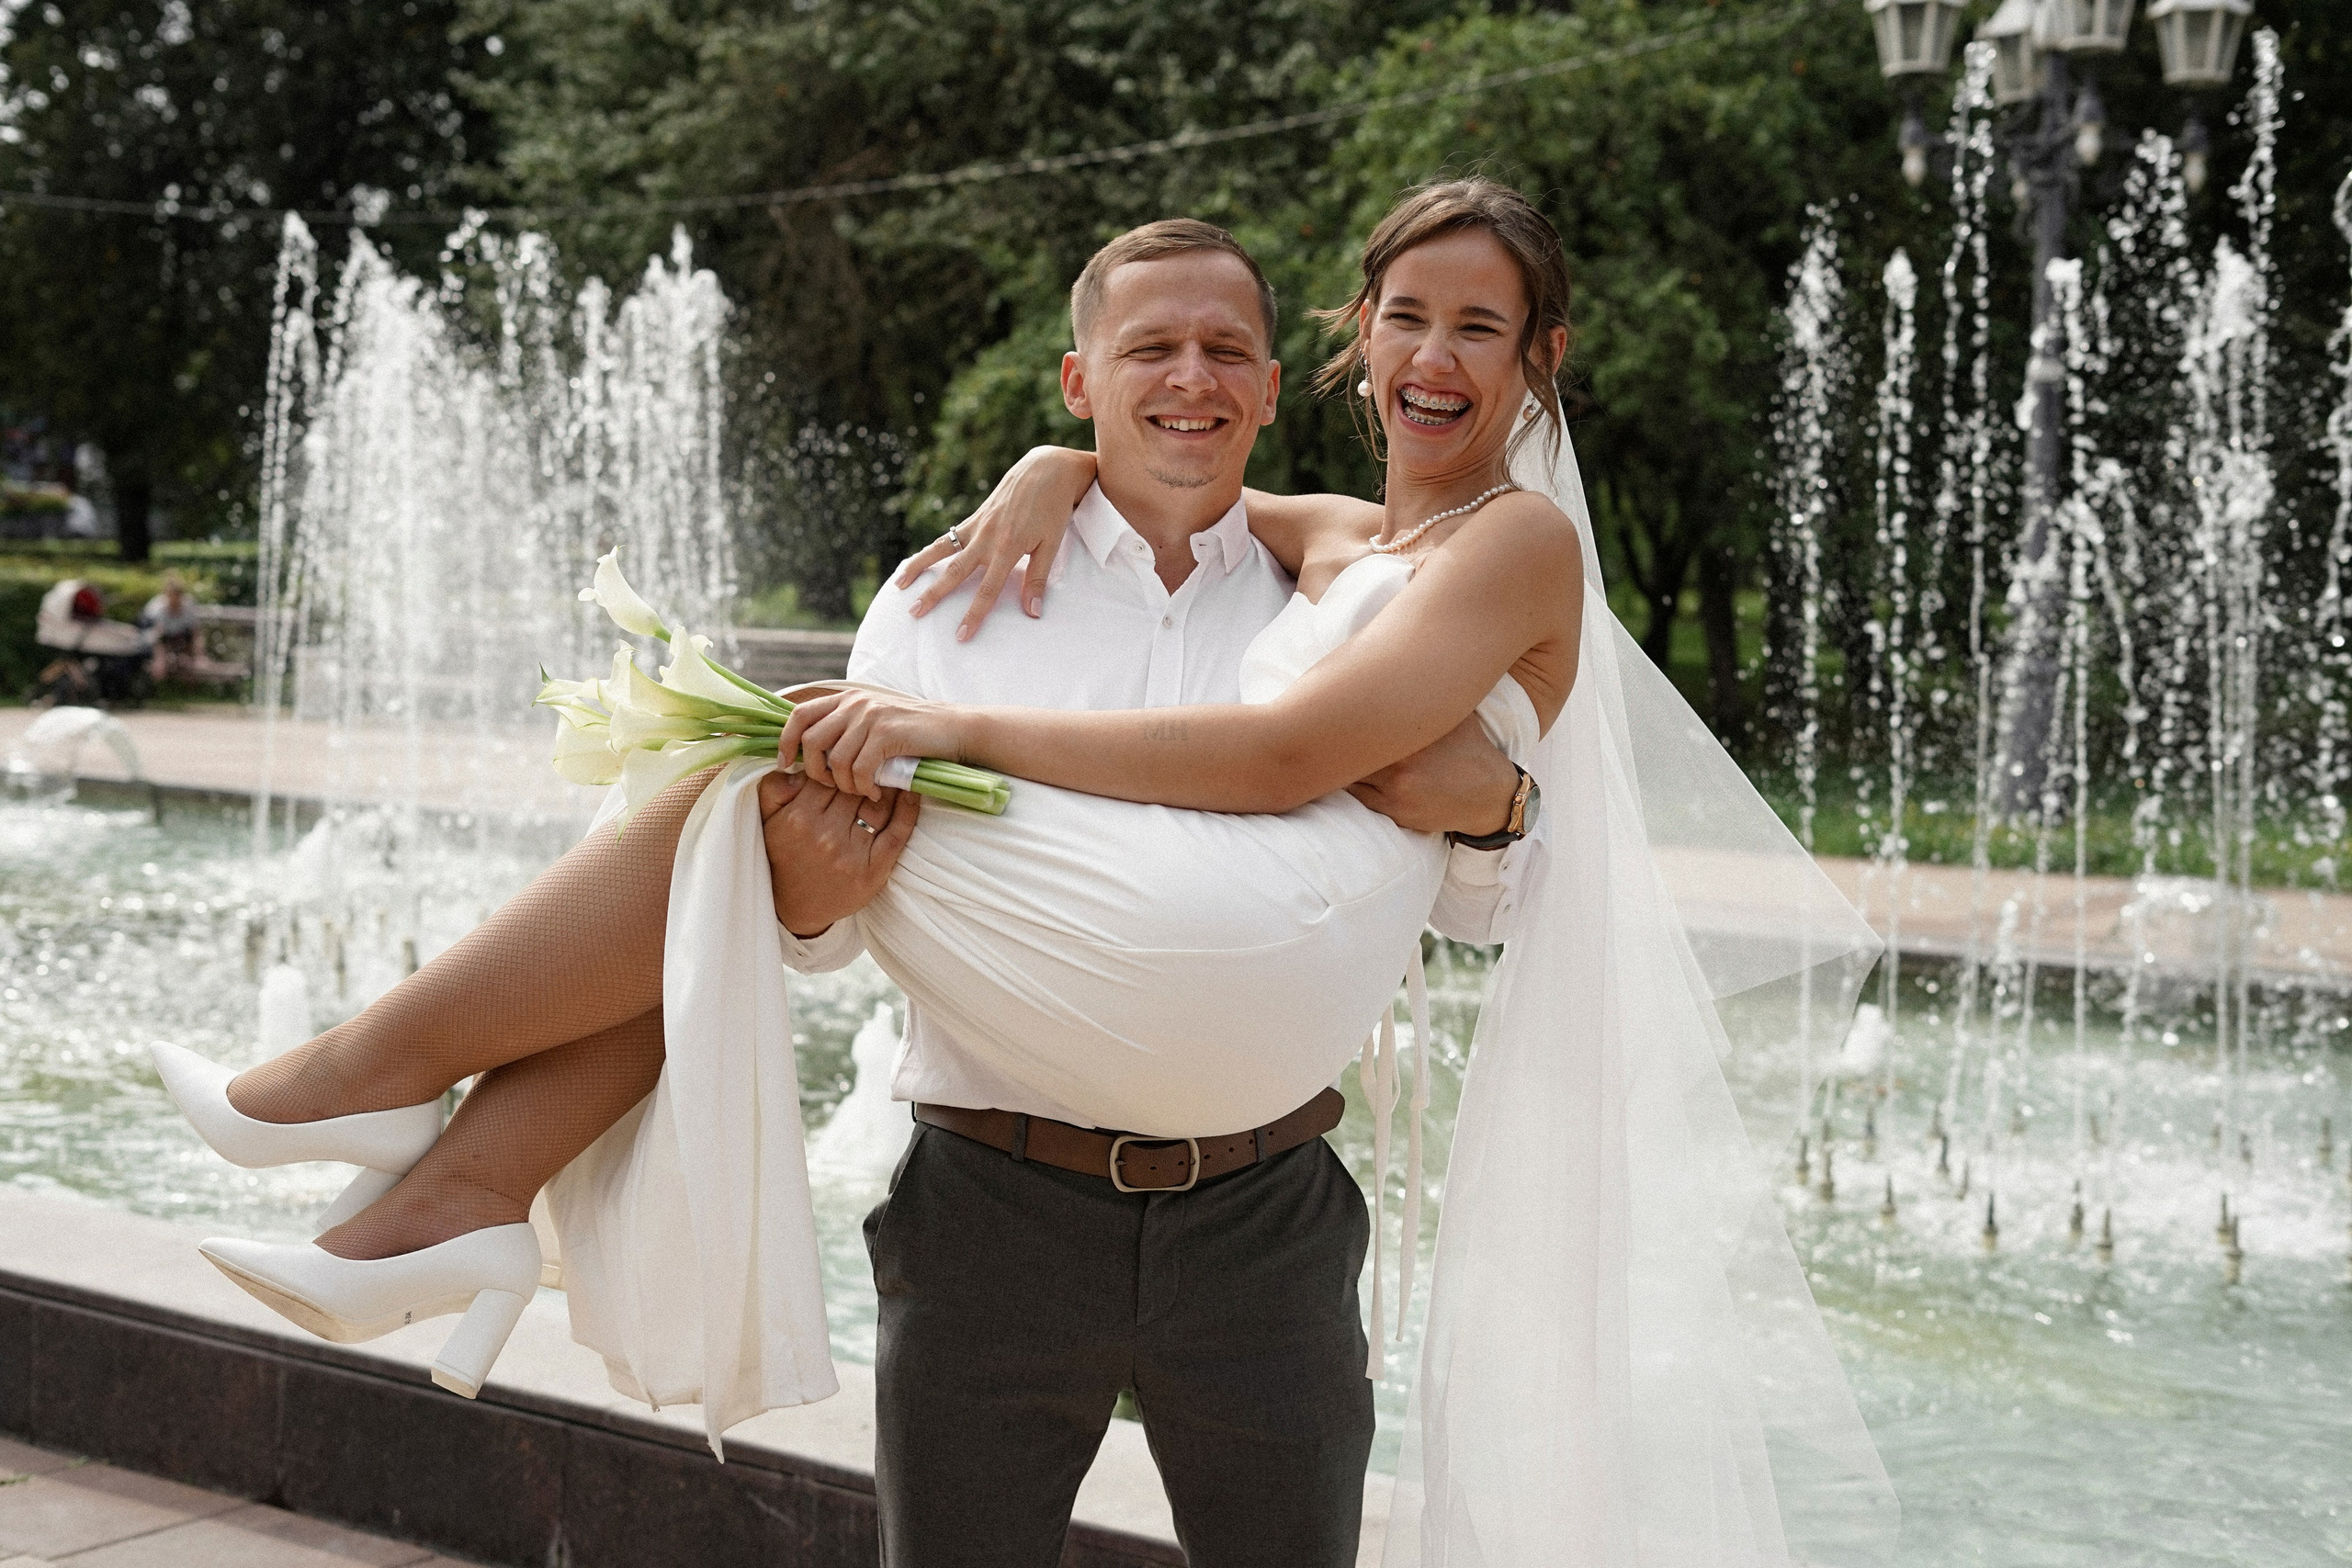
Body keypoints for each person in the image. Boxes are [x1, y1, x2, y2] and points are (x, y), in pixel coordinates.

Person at [156, 183, 1894, 1566]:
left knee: (743, 785)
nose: (1433, 355)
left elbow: (1355, 800)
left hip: (1264, 1218)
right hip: (997, 1206)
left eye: (1481, 327)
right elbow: (810, 929)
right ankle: (426, 1161)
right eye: (1408, 318)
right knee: (761, 827)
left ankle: (387, 1116)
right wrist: (1045, 492)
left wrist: (1500, 811)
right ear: (1355, 343)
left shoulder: (1471, 550)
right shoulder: (1128, 568)